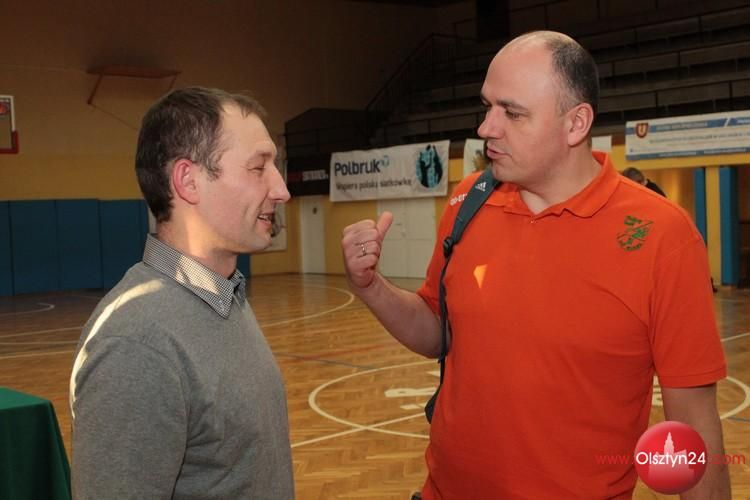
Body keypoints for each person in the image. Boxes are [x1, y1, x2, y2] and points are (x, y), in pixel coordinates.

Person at [341, 31, 729, 498]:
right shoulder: (468, 201)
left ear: (576, 123)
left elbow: (693, 428)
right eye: (487, 107)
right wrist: (371, 287)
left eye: (512, 113)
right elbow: (437, 330)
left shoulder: (663, 236)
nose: (486, 128)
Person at [69, 87, 294, 499]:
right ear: (188, 181)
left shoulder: (226, 297)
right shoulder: (136, 344)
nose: (281, 190)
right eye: (258, 168)